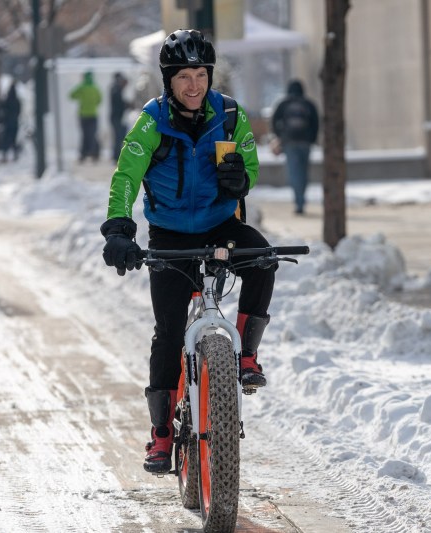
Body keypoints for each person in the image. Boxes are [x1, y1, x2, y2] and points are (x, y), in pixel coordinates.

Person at [99, 29, 273, 475]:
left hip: (221, 226)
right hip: (170, 237)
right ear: (168, 80)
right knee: (169, 331)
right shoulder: (151, 122)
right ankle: (160, 434)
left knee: (263, 258)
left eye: (200, 75)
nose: (193, 85)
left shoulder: (230, 116)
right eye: (183, 77)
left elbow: (249, 164)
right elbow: (125, 178)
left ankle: (246, 355)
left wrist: (241, 180)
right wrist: (119, 229)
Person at [271, 79, 319, 215]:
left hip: (289, 143)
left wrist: (280, 136)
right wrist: (312, 139)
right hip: (305, 143)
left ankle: (299, 202)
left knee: (294, 173)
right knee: (303, 173)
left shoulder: (284, 104)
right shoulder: (309, 104)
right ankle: (301, 199)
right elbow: (316, 122)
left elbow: (274, 120)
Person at [69, 70, 102, 162]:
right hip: (93, 114)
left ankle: (83, 154)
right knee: (93, 134)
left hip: (83, 115)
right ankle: (95, 154)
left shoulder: (82, 87)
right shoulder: (95, 88)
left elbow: (71, 95)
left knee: (84, 135)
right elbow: (100, 99)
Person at [109, 72, 132, 161]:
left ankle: (117, 156)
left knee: (119, 137)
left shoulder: (116, 89)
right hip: (116, 117)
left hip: (118, 117)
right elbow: (118, 104)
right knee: (118, 137)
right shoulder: (115, 89)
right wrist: (127, 105)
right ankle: (116, 156)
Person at [1, 81, 21, 162]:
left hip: (7, 123)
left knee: (6, 139)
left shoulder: (7, 100)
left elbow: (3, 109)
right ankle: (14, 154)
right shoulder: (16, 100)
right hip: (14, 122)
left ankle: (5, 155)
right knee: (13, 139)